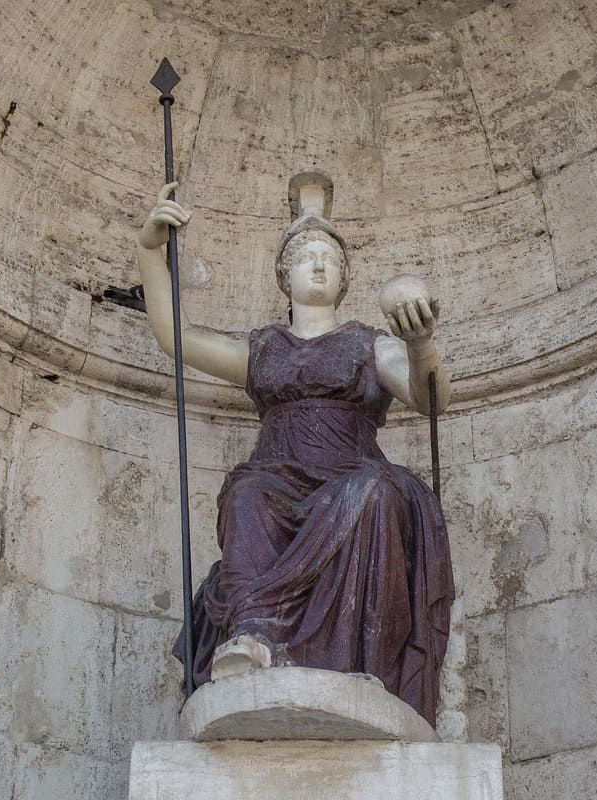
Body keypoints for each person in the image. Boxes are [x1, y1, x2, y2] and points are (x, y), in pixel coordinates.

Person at [136, 178, 454, 724]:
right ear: (284, 276)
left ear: (345, 277)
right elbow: (174, 337)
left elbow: (431, 399)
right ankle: (253, 638)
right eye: (306, 256)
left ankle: (365, 663)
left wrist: (420, 343)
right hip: (278, 476)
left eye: (329, 257)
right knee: (245, 494)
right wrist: (149, 249)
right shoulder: (263, 350)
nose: (319, 265)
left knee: (374, 496)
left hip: (350, 472)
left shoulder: (368, 344)